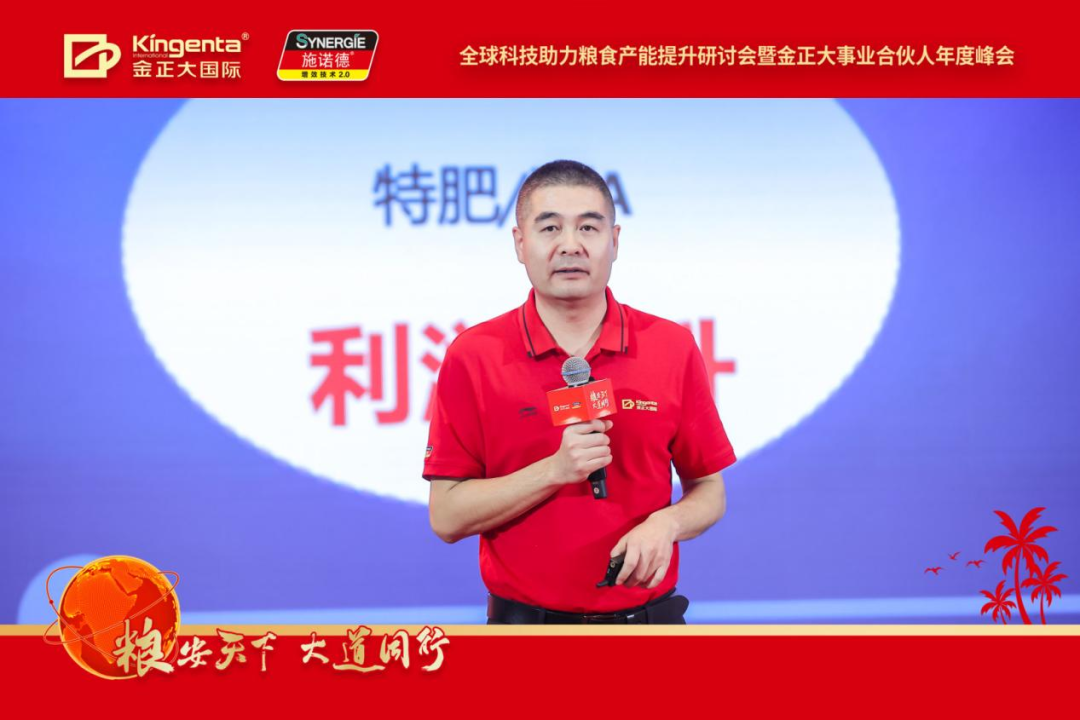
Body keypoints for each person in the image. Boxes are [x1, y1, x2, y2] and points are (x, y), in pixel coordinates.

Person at [423, 159, 737, 624]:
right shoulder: (475, 356)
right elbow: (447, 517)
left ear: (615, 241)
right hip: (523, 636)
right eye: (550, 228)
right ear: (520, 243)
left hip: (646, 629)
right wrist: (554, 471)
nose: (570, 245)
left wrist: (667, 523)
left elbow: (709, 490)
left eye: (588, 227)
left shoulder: (670, 347)